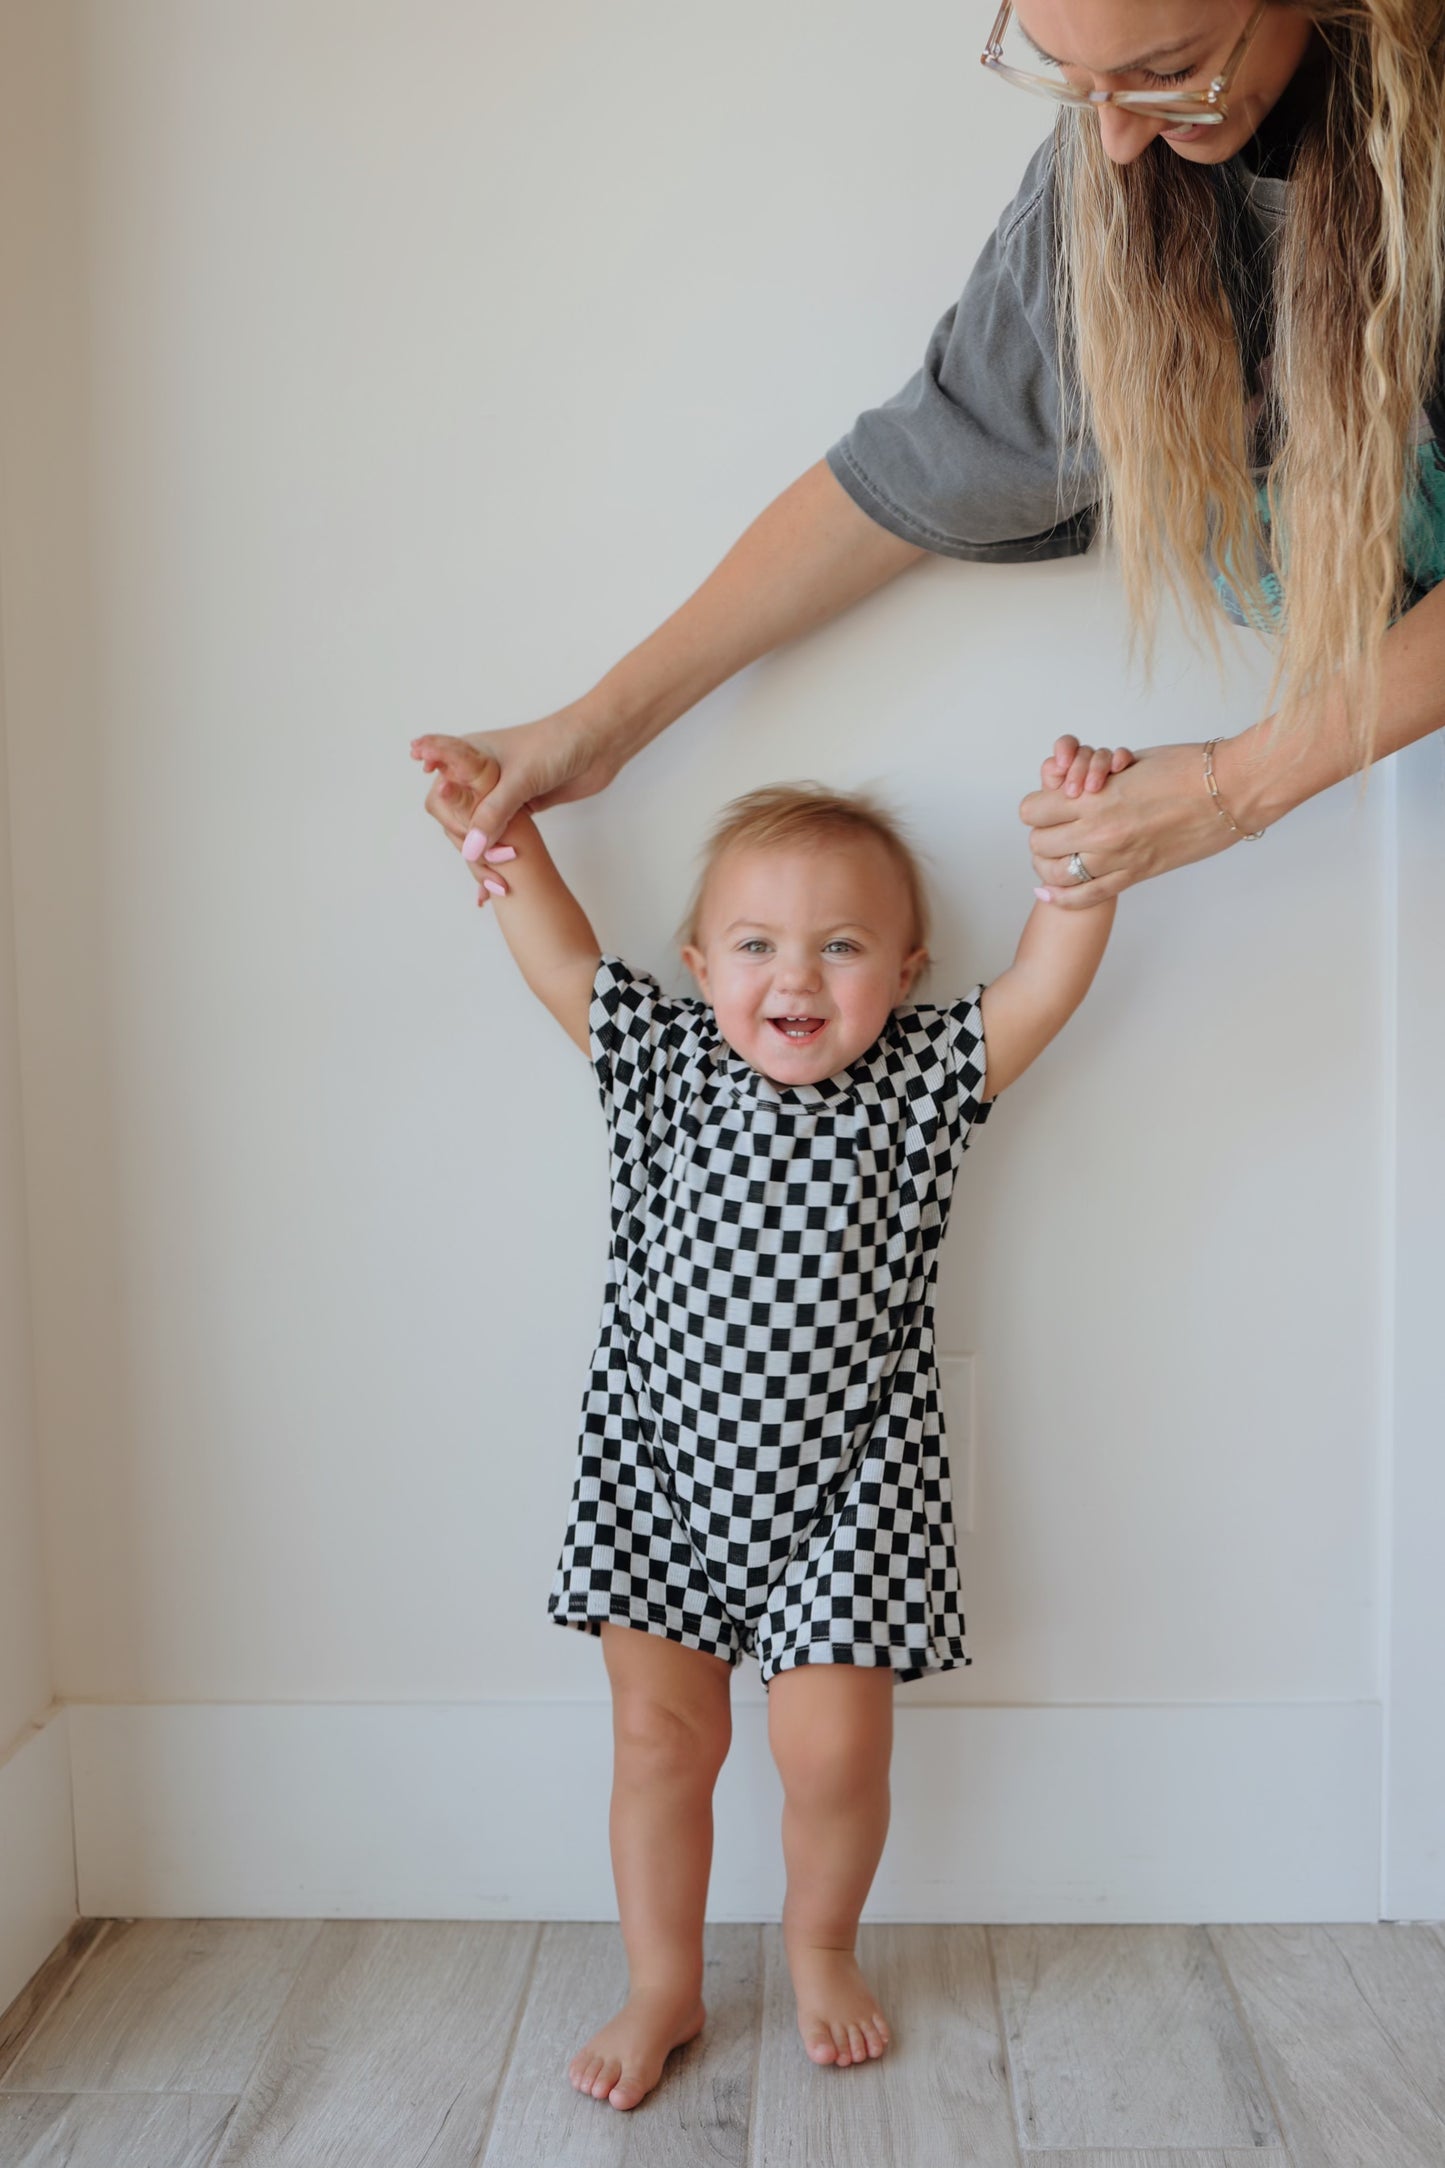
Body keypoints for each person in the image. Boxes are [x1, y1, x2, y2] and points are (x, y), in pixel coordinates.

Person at [420, 746, 1118, 2108]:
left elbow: (1039, 987)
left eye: (840, 946)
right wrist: (501, 839)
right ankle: (662, 1982)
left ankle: (819, 1947)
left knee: (837, 1753)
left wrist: (1084, 860)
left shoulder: (921, 1082)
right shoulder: (665, 1062)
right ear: (696, 962)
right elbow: (561, 961)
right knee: (658, 1745)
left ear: (905, 973)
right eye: (756, 945)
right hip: (660, 1472)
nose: (794, 978)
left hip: (851, 1487)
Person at [413, 0, 1445, 898]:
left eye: (1166, 72)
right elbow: (922, 463)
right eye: (1070, 76)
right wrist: (600, 725)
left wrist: (1233, 787)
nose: (1119, 137)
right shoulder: (1104, 186)